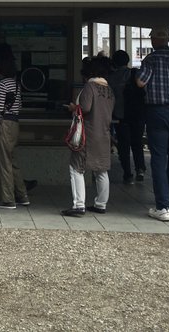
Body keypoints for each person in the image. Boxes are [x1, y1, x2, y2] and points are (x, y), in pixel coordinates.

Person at [61, 55, 115, 217]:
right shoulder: (109, 89)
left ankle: (78, 205)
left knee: (76, 168)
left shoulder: (90, 87)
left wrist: (72, 107)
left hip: (88, 134)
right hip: (104, 134)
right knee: (101, 170)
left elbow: (84, 108)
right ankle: (101, 204)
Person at [136, 27, 169, 222]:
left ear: (155, 41)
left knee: (158, 158)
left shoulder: (151, 59)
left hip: (157, 111)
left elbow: (141, 82)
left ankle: (163, 206)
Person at [0, 49, 29, 210]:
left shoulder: (1, 84)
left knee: (4, 163)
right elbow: (19, 105)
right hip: (15, 124)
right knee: (12, 161)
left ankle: (8, 199)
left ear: (1, 68)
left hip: (4, 124)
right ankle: (22, 195)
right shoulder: (16, 84)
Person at [108, 50, 146, 184]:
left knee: (124, 145)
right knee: (137, 142)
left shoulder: (111, 78)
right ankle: (140, 169)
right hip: (137, 114)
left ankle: (127, 174)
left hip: (120, 115)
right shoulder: (135, 73)